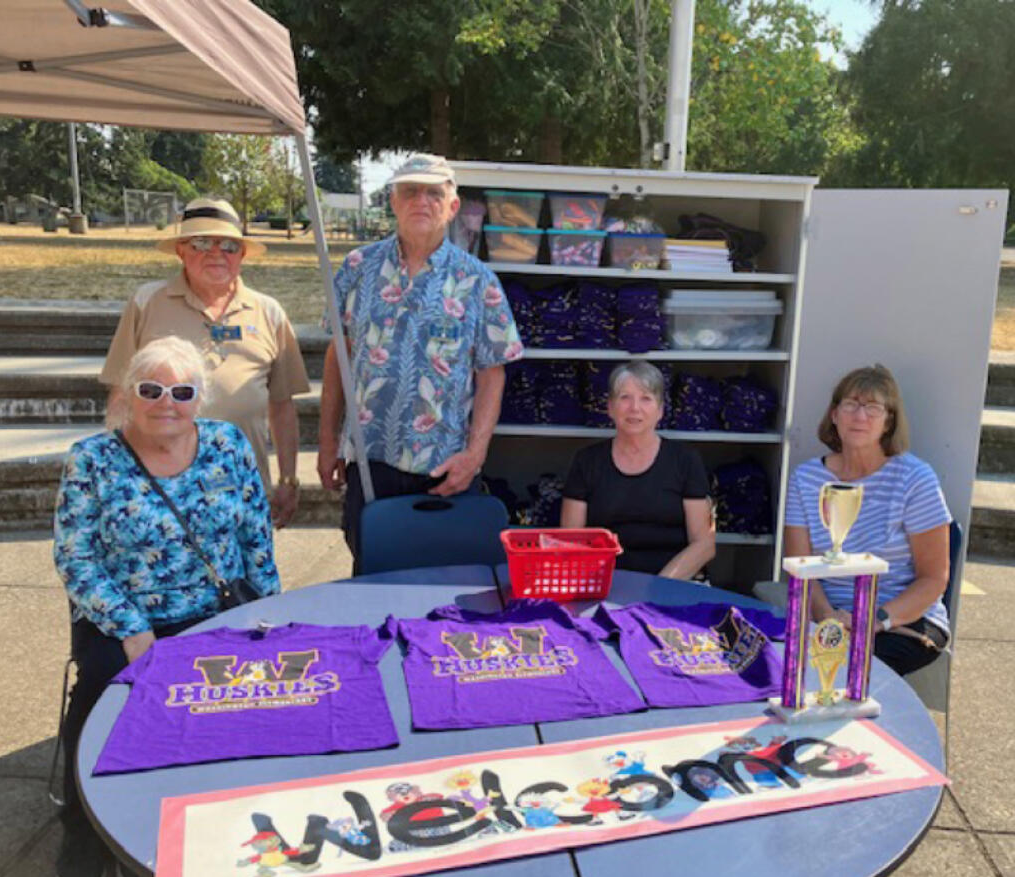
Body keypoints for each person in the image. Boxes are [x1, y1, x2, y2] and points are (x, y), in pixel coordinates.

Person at [53, 336, 281, 877]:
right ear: (128, 394)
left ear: (199, 399)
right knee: (103, 692)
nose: (166, 402)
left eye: (181, 391)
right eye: (151, 389)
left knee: (244, 701)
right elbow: (73, 555)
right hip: (125, 616)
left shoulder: (228, 445)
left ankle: (175, 824)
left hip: (214, 610)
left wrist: (272, 611)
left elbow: (255, 535)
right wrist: (131, 628)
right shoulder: (93, 459)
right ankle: (83, 827)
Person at [317, 154, 523, 566]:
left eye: (434, 193)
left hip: (444, 466)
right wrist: (326, 444)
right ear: (392, 202)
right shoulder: (357, 268)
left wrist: (475, 456)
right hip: (369, 457)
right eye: (410, 191)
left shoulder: (478, 280)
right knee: (372, 570)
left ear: (452, 206)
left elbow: (492, 374)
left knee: (441, 585)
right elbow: (339, 357)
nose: (421, 201)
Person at [100, 196, 311, 527]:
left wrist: (288, 480)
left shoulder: (269, 312)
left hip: (242, 486)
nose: (216, 252)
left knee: (245, 576)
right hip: (158, 487)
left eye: (228, 245)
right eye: (201, 242)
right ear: (181, 250)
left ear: (242, 254)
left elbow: (282, 406)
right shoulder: (147, 303)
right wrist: (120, 476)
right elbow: (120, 398)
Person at [783, 364, 951, 676]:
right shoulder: (805, 478)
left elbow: (933, 579)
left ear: (889, 421)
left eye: (873, 408)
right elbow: (800, 568)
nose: (860, 417)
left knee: (849, 673)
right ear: (835, 415)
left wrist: (872, 620)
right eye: (850, 405)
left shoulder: (915, 478)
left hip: (898, 621)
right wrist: (829, 620)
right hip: (826, 617)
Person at [561, 361, 715, 579]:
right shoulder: (587, 461)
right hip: (605, 582)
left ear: (660, 410)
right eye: (624, 397)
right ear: (610, 407)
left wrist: (658, 587)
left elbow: (704, 544)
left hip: (673, 582)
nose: (635, 408)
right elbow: (571, 540)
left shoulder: (686, 460)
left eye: (646, 398)